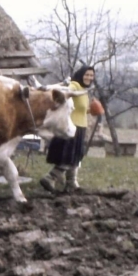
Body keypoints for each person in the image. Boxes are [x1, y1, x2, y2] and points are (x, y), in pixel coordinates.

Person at [40, 65, 95, 194]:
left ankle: (71, 183)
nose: (89, 77)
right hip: (72, 127)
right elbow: (68, 91)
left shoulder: (84, 90)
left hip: (81, 127)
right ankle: (50, 177)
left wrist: (91, 110)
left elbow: (80, 110)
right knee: (69, 156)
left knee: (76, 156)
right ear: (81, 75)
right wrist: (64, 88)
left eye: (91, 75)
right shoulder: (75, 85)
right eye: (87, 74)